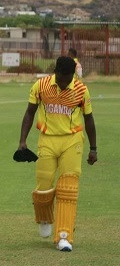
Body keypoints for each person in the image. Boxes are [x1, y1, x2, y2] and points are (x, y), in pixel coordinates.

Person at [18, 56, 97, 252]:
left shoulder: (80, 90)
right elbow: (29, 113)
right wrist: (22, 141)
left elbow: (88, 119)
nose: (64, 83)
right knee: (43, 185)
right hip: (47, 139)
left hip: (72, 141)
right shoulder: (41, 86)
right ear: (56, 73)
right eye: (62, 78)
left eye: (69, 79)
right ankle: (44, 218)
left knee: (68, 189)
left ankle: (64, 235)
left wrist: (93, 148)